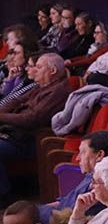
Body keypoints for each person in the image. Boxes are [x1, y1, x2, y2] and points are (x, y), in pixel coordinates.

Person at [0, 52, 70, 198]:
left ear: (52, 71)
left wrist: (1, 116)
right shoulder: (41, 86)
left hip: (31, 140)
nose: (33, 70)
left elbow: (32, 118)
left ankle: (5, 196)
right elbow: (16, 101)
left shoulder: (58, 91)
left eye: (38, 67)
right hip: (15, 132)